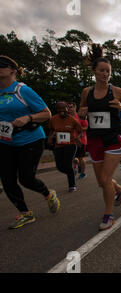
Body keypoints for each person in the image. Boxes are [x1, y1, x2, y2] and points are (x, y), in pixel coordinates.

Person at [78, 44, 121, 231]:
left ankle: (108, 216)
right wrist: (82, 113)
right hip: (94, 139)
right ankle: (120, 189)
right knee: (102, 182)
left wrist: (120, 107)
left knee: (105, 177)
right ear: (94, 71)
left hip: (113, 138)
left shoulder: (116, 91)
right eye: (101, 70)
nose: (105, 74)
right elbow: (80, 114)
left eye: (108, 71)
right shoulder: (87, 92)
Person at [0, 55, 60, 229]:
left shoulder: (22, 90)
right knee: (8, 180)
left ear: (12, 70)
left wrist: (28, 117)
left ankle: (47, 193)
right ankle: (25, 213)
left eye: (2, 65)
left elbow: (46, 113)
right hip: (6, 141)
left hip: (30, 139)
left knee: (26, 178)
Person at [48, 101, 83, 192]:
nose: (61, 110)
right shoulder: (53, 119)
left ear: (67, 109)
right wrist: (50, 138)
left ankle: (72, 185)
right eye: (59, 108)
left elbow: (80, 131)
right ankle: (71, 172)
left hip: (71, 144)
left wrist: (78, 138)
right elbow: (51, 130)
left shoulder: (72, 119)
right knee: (59, 166)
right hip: (58, 145)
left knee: (67, 164)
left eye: (63, 108)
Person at [68, 102, 89, 180]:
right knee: (71, 157)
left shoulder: (80, 117)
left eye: (71, 107)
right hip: (71, 140)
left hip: (81, 140)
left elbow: (86, 127)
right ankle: (78, 166)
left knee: (80, 157)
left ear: (75, 108)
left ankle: (83, 173)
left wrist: (77, 128)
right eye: (68, 107)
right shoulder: (68, 118)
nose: (70, 108)